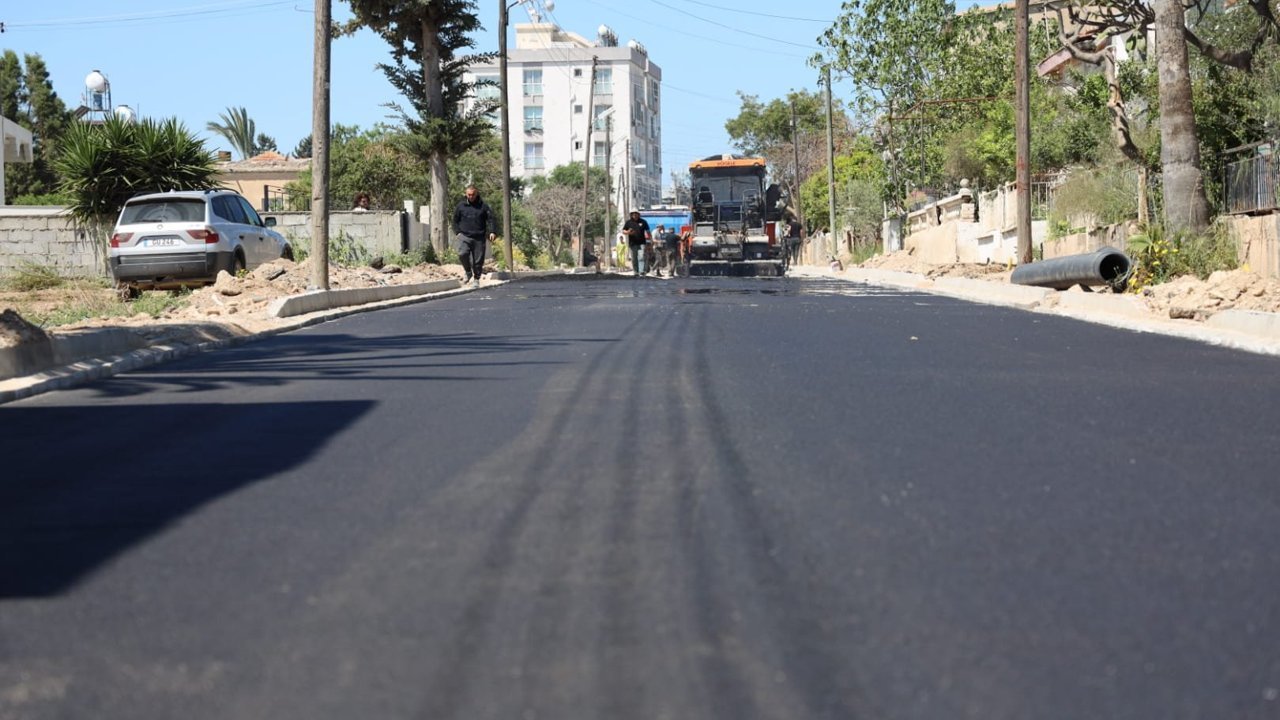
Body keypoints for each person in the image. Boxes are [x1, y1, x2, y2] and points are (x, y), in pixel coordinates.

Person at [452, 185, 496, 287]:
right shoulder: (461, 206)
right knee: (462, 254)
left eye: (473, 195)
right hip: (464, 236)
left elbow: (491, 219)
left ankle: (476, 279)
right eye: (469, 195)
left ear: (476, 194)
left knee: (478, 261)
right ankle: (468, 272)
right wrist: (457, 232)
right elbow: (455, 220)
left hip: (479, 237)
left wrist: (492, 231)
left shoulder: (483, 206)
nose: (471, 197)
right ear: (466, 194)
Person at [621, 210, 651, 277]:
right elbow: (623, 231)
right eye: (633, 214)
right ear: (631, 215)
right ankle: (636, 271)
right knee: (634, 258)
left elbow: (648, 231)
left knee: (641, 256)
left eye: (636, 214)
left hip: (642, 243)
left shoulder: (643, 222)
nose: (635, 215)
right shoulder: (628, 222)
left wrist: (650, 240)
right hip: (632, 243)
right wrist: (628, 232)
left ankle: (641, 271)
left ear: (638, 214)